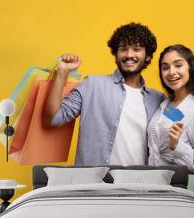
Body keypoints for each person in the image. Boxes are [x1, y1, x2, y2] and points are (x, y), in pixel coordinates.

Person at [44, 23, 164, 166]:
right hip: (94, 183)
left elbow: (178, 131)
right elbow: (53, 118)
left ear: (148, 57)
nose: (129, 55)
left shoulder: (158, 99)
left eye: (136, 49)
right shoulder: (92, 85)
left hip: (138, 184)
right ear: (115, 54)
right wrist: (62, 73)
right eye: (123, 49)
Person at [147, 44, 194, 172]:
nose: (171, 72)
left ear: (190, 67)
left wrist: (176, 146)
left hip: (178, 187)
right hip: (154, 184)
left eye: (178, 65)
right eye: (165, 67)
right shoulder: (165, 105)